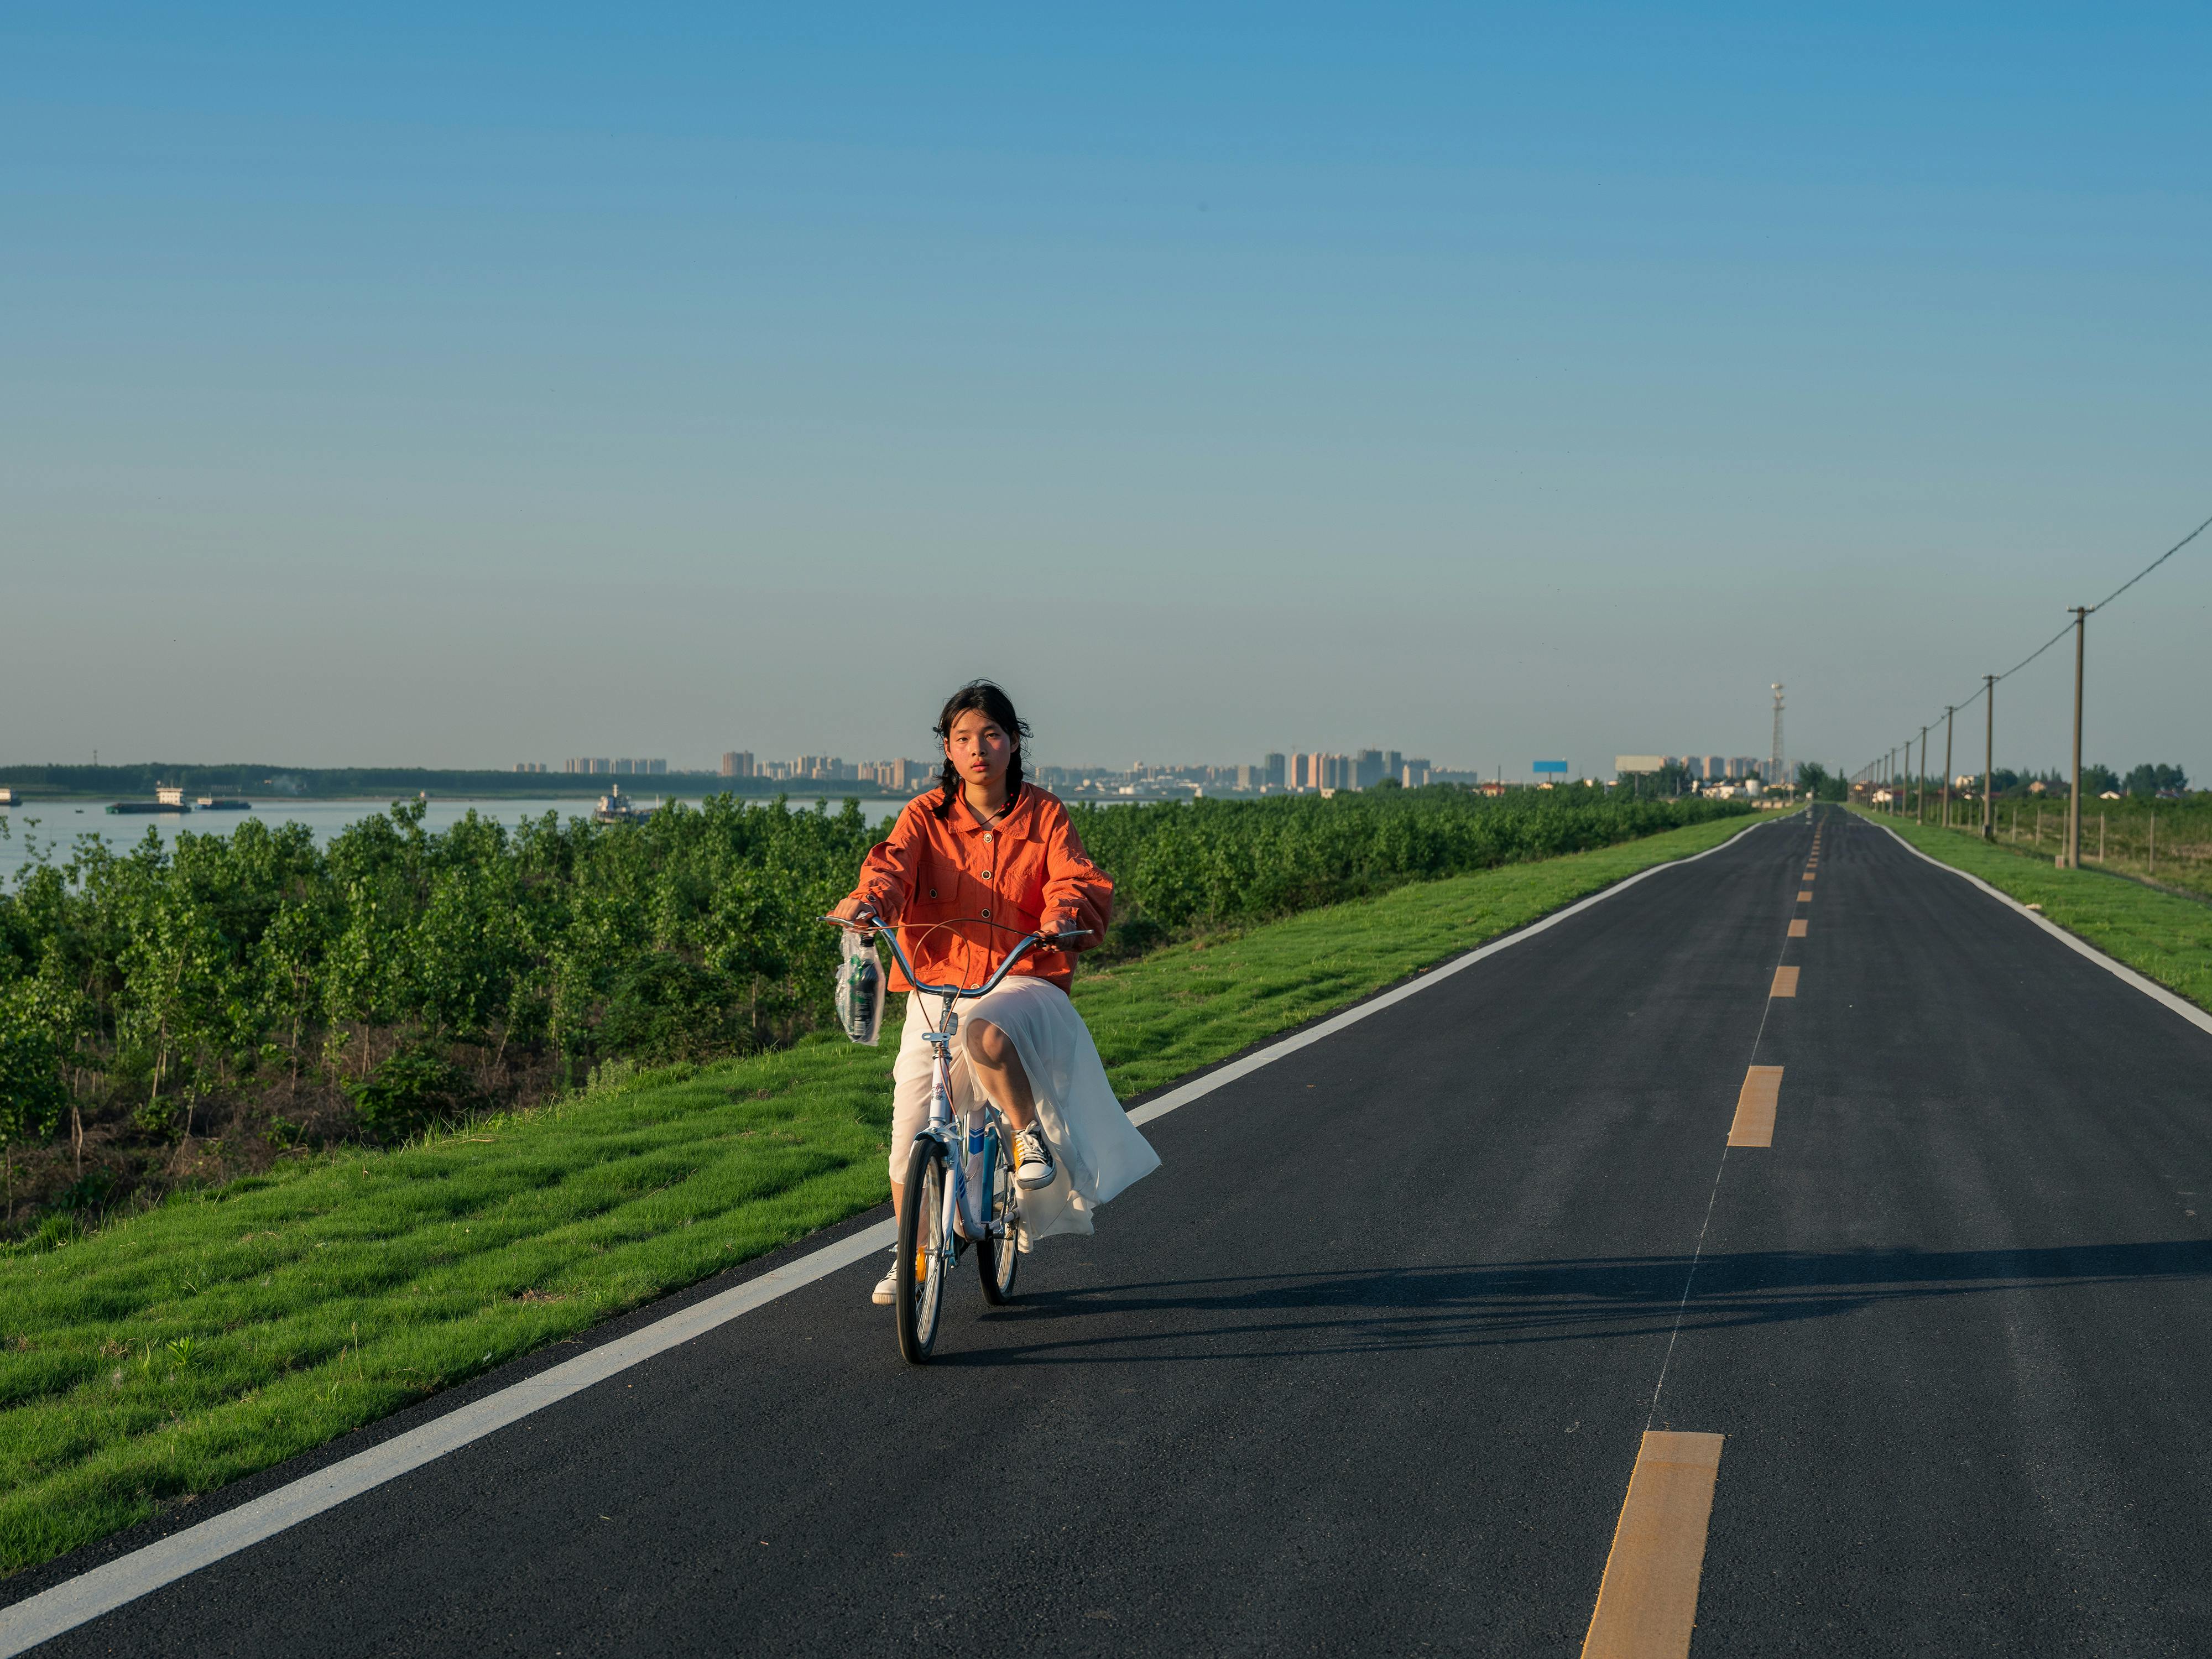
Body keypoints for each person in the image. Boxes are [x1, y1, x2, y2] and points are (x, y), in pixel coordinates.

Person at [830, 680, 1160, 1306]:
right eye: (962, 738)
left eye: (990, 735)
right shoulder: (924, 816)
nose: (977, 748)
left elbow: (1073, 880)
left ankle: (1024, 1130)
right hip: (937, 983)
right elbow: (890, 868)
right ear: (948, 751)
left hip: (1022, 974)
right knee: (907, 1142)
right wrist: (866, 904)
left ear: (1013, 743)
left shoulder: (1045, 814)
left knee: (985, 1034)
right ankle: (916, 1252)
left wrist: (1063, 915)